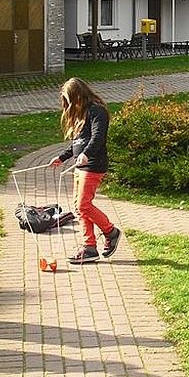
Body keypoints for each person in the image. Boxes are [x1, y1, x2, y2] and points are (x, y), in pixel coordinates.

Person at [50, 77, 120, 264]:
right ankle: (89, 247)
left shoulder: (97, 111)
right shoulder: (81, 114)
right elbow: (77, 144)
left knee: (83, 205)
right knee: (78, 208)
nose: (69, 105)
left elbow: (98, 137)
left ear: (78, 95)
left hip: (94, 165)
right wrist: (62, 157)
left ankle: (110, 232)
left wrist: (87, 154)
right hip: (81, 166)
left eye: (69, 100)